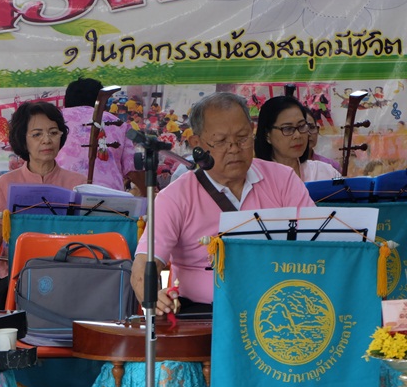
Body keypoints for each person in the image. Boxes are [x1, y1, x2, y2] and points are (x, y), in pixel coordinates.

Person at [130, 92, 315, 315]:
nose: (234, 148)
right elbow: (145, 264)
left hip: (278, 308)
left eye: (242, 138)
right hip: (204, 315)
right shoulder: (176, 196)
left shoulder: (283, 179)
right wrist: (152, 295)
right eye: (220, 141)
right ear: (196, 144)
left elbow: (318, 245)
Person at [0, 100, 86, 308]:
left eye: (53, 132)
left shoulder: (79, 183)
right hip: (18, 274)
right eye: (37, 134)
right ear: (23, 140)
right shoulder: (6, 182)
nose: (47, 140)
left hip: (67, 275)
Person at [56, 77, 142, 191]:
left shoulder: (54, 120)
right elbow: (132, 169)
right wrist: (149, 193)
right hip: (108, 196)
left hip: (60, 194)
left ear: (66, 100)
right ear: (103, 100)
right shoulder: (120, 124)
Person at [254, 96, 341, 182]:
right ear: (267, 135)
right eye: (288, 128)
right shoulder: (256, 179)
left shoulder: (325, 173)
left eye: (302, 126)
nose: (298, 135)